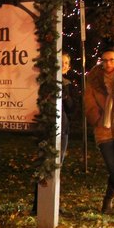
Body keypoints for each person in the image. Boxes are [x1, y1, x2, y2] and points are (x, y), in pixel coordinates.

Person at [32, 53, 75, 214]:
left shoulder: (68, 84)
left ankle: (53, 202)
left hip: (62, 130)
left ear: (68, 67)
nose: (63, 65)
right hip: (47, 129)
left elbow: (72, 110)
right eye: (60, 62)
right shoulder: (46, 82)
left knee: (57, 165)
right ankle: (38, 204)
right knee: (43, 164)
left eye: (66, 63)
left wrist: (66, 97)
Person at [85, 47, 114, 213]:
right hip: (103, 129)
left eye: (112, 60)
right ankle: (107, 202)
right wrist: (96, 118)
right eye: (105, 60)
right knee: (112, 167)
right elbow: (88, 101)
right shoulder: (94, 78)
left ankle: (107, 202)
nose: (108, 63)